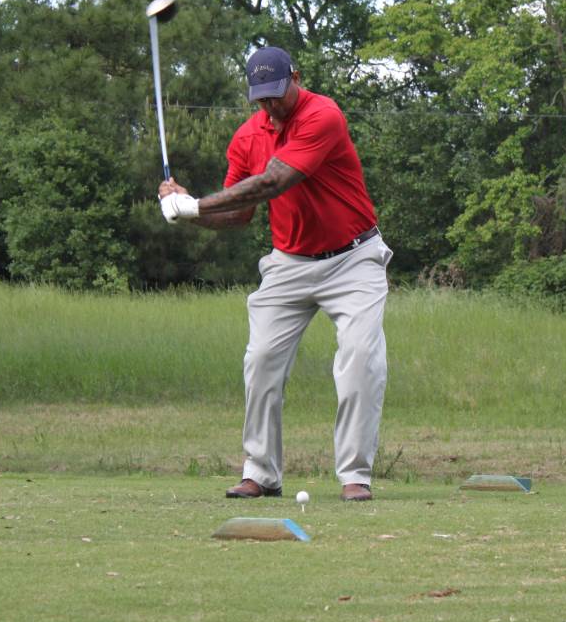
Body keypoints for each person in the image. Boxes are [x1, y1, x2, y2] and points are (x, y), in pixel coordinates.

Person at [158, 46, 391, 502]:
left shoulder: (322, 115)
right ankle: (260, 472)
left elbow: (275, 181)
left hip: (354, 258)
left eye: (276, 95)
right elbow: (240, 214)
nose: (269, 106)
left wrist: (196, 203)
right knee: (261, 359)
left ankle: (355, 476)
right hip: (288, 263)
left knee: (361, 359)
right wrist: (186, 212)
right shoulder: (246, 137)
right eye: (260, 98)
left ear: (295, 79)